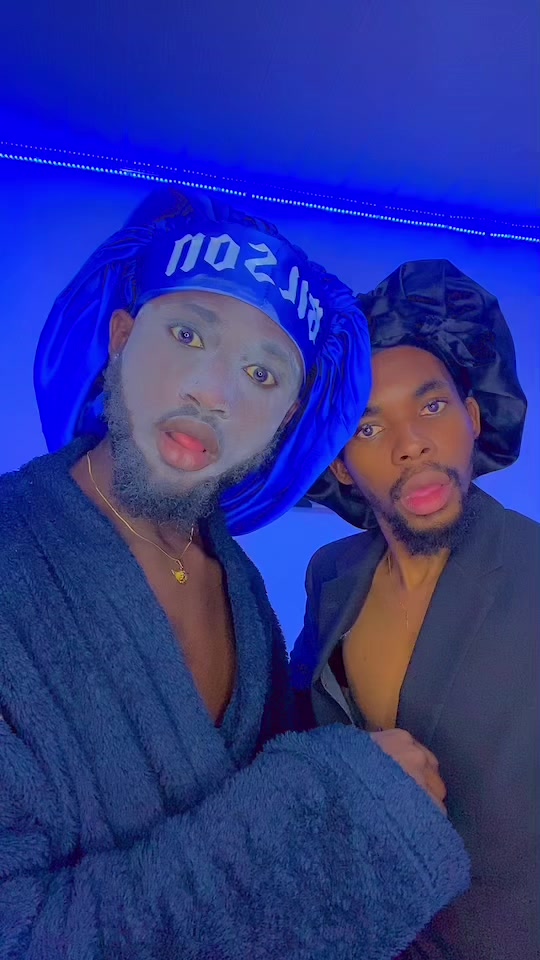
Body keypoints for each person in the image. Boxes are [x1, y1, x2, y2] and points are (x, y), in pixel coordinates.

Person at [0, 193, 468, 959]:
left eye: (262, 373)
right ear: (122, 339)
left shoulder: (245, 593)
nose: (213, 393)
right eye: (188, 335)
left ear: (285, 421)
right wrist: (350, 813)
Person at [291, 258, 539, 960]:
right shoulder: (329, 575)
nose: (411, 446)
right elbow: (299, 732)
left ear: (473, 417)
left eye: (431, 407)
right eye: (368, 429)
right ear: (339, 464)